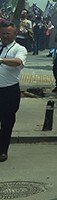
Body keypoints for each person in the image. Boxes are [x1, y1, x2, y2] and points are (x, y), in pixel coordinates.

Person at [0, 22, 28, 162]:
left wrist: (1, 60)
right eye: (3, 33)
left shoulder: (19, 49)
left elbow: (17, 62)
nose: (5, 36)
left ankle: (3, 150)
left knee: (6, 122)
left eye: (8, 33)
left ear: (14, 34)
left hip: (8, 91)